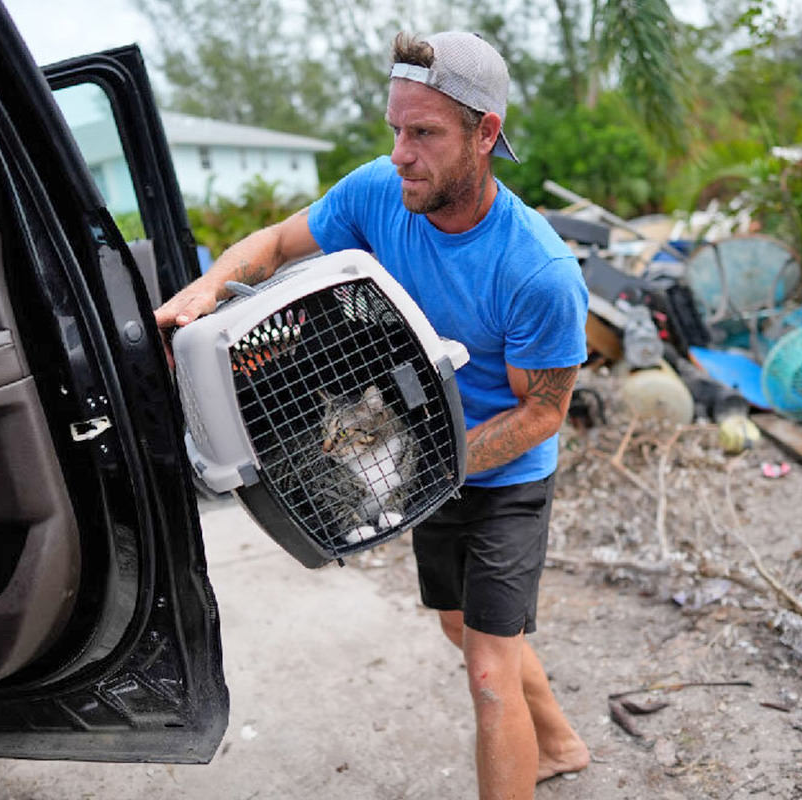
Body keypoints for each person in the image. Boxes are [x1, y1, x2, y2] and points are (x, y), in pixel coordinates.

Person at [156, 30, 590, 800]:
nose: (401, 153)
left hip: (503, 472)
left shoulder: (539, 271)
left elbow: (542, 415)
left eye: (424, 134)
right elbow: (280, 241)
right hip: (426, 456)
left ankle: (532, 748)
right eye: (395, 128)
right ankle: (557, 741)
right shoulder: (377, 194)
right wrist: (210, 288)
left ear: (486, 133)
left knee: (489, 672)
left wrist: (423, 470)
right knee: (465, 627)